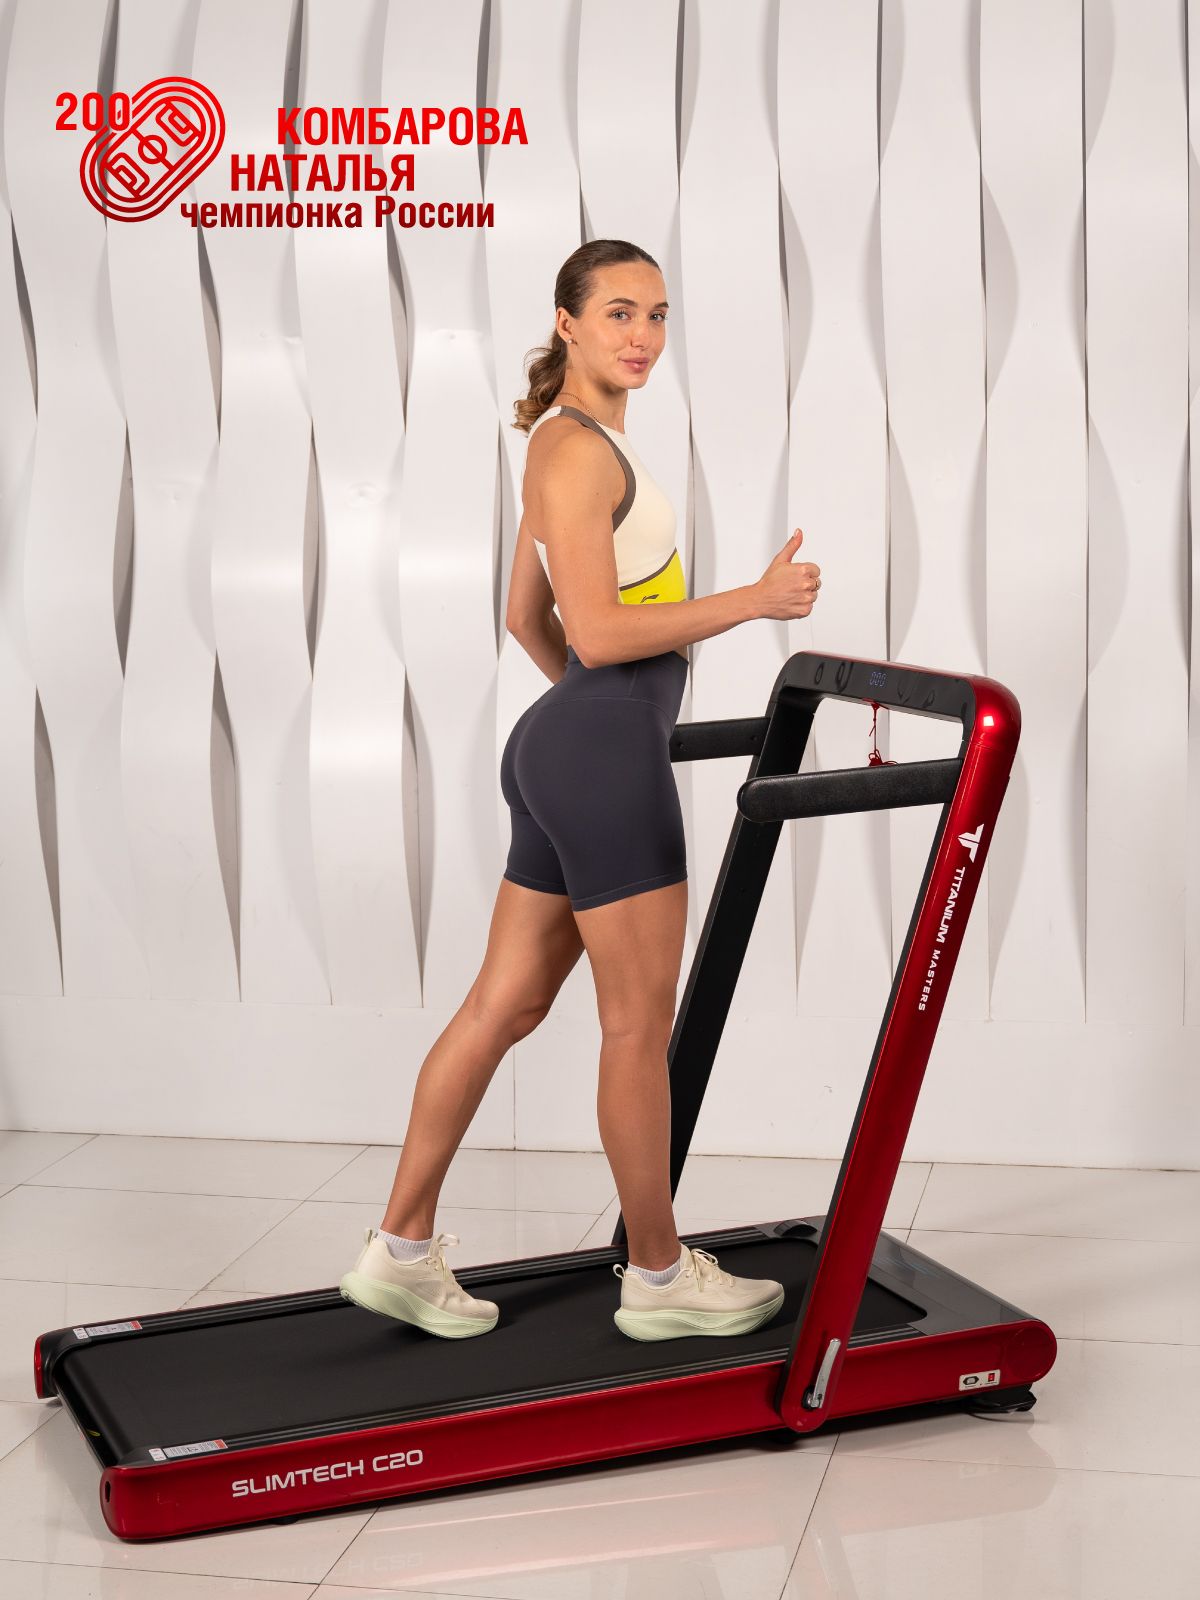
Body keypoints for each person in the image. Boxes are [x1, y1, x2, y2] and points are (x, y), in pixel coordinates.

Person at [340, 239, 822, 1341]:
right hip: (594, 754)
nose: (642, 336)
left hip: (564, 747)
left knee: (504, 1006)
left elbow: (526, 614)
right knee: (635, 1026)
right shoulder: (577, 453)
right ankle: (656, 1274)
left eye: (657, 314)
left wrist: (596, 724)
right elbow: (596, 633)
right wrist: (750, 602)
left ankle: (400, 1249)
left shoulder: (563, 442)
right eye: (618, 313)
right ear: (567, 322)